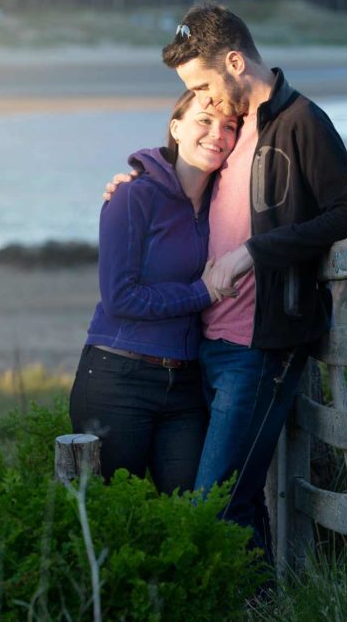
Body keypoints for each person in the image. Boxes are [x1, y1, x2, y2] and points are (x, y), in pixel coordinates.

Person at [105, 2, 347, 561]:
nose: (205, 100)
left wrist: (252, 252)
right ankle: (264, 605)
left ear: (236, 61)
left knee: (212, 504)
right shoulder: (234, 127)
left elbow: (342, 215)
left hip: (263, 348)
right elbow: (185, 181)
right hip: (209, 345)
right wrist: (131, 183)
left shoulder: (302, 121)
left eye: (205, 83)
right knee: (242, 501)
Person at [71, 90, 239, 495]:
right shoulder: (133, 196)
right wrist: (204, 293)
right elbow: (121, 298)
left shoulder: (226, 202)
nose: (217, 133)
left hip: (184, 386)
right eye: (204, 120)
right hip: (118, 377)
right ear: (176, 129)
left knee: (191, 515)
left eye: (229, 126)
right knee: (114, 518)